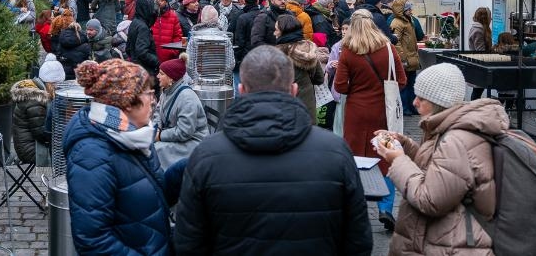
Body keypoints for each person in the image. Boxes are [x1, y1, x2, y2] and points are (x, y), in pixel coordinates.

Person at [173, 45, 373, 256]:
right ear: (294, 90)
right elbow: (357, 240)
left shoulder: (206, 156)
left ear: (241, 90)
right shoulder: (336, 152)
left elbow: (188, 242)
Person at [372, 62, 507, 256]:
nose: (414, 102)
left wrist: (399, 160)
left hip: (451, 244)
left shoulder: (456, 140)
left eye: (421, 98)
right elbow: (439, 168)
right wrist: (406, 145)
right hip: (447, 239)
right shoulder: (447, 129)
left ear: (438, 102)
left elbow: (430, 199)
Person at [64, 59, 171, 255]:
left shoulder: (133, 135)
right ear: (128, 102)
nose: (153, 100)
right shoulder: (91, 155)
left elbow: (142, 190)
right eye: (148, 94)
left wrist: (188, 169)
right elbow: (93, 240)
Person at [333, 10, 407, 232]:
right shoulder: (388, 48)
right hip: (382, 112)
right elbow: (401, 81)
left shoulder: (348, 51)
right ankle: (385, 208)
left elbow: (340, 86)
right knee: (385, 157)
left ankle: (356, 209)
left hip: (356, 113)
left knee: (355, 159)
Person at [154, 56, 209, 169]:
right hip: (177, 137)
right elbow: (158, 112)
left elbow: (184, 132)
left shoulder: (187, 98)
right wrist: (156, 128)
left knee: (156, 149)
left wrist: (159, 136)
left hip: (193, 143)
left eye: (161, 74)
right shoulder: (166, 91)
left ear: (171, 78)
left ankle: (163, 182)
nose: (157, 76)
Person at [273, 14, 325, 124]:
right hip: (307, 108)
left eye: (276, 30)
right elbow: (319, 79)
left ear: (284, 32)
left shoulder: (276, 55)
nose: (274, 33)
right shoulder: (308, 49)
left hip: (285, 110)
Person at [389, 0, 420, 116]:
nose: (411, 11)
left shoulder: (408, 20)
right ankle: (405, 108)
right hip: (406, 59)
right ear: (402, 10)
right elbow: (396, 42)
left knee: (411, 84)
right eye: (408, 9)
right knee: (404, 84)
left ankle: (412, 107)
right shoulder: (397, 23)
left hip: (411, 57)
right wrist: (403, 59)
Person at [125, 0, 160, 76]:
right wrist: (156, 61)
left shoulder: (134, 22)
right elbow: (142, 52)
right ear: (146, 8)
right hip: (145, 69)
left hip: (135, 67)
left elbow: (128, 48)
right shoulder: (143, 27)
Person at [151, 0, 185, 65]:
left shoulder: (173, 16)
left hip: (168, 58)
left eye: (161, 0)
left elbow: (178, 36)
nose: (159, 2)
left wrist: (172, 52)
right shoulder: (150, 16)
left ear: (166, 2)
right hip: (152, 57)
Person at [467, 6, 492, 100]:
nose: (491, 19)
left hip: (478, 63)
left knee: (478, 91)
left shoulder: (478, 29)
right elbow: (480, 50)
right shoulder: (478, 30)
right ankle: (473, 111)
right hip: (479, 65)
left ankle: (473, 110)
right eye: (490, 16)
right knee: (477, 91)